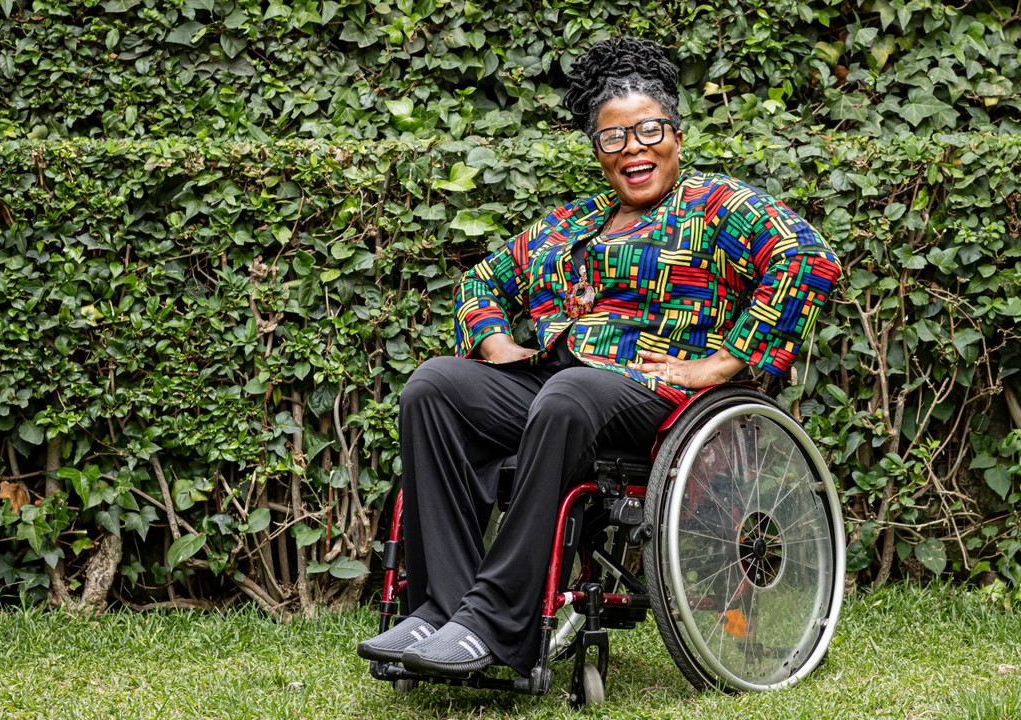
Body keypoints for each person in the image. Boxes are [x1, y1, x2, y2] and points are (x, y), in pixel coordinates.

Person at [355, 36, 842, 678]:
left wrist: (725, 362)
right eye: (614, 139)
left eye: (648, 130)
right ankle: (437, 610)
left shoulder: (719, 206)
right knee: (434, 387)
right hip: (564, 385)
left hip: (656, 394)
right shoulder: (571, 223)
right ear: (597, 152)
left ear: (674, 132)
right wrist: (499, 344)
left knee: (568, 394)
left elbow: (809, 259)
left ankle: (493, 624)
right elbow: (481, 281)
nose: (633, 148)